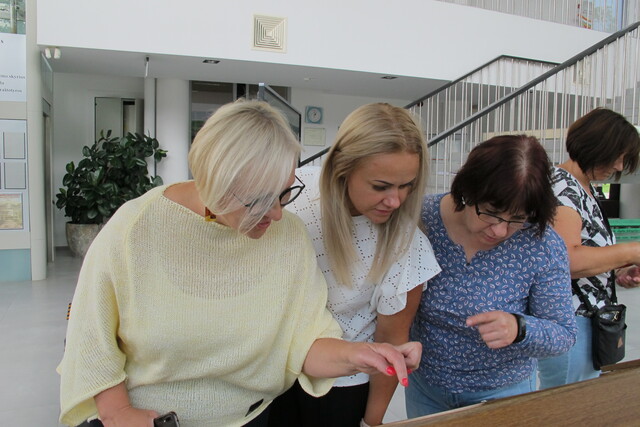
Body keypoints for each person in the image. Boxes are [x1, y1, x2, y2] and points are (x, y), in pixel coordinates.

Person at [57, 100, 421, 427]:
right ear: (213, 179)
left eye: (284, 193)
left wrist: (362, 355)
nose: (277, 213)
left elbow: (306, 342)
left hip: (251, 418)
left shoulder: (288, 236)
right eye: (259, 201)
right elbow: (90, 337)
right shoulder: (134, 230)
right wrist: (119, 412)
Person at [268, 103, 441, 427]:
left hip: (340, 388)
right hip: (270, 374)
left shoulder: (408, 245)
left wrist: (371, 422)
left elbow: (391, 343)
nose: (395, 201)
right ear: (342, 168)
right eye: (381, 186)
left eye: (407, 185)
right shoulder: (291, 197)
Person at [405, 135, 577, 417]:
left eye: (517, 218)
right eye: (491, 213)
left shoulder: (541, 244)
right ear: (468, 191)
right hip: (426, 387)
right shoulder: (422, 219)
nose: (499, 230)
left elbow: (564, 334)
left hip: (501, 391)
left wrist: (519, 328)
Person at [537, 108, 640, 389]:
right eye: (617, 156)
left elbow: (584, 251)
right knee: (567, 401)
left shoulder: (583, 188)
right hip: (570, 319)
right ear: (596, 146)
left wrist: (616, 271)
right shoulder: (562, 188)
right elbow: (567, 260)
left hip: (585, 317)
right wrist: (631, 251)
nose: (619, 166)